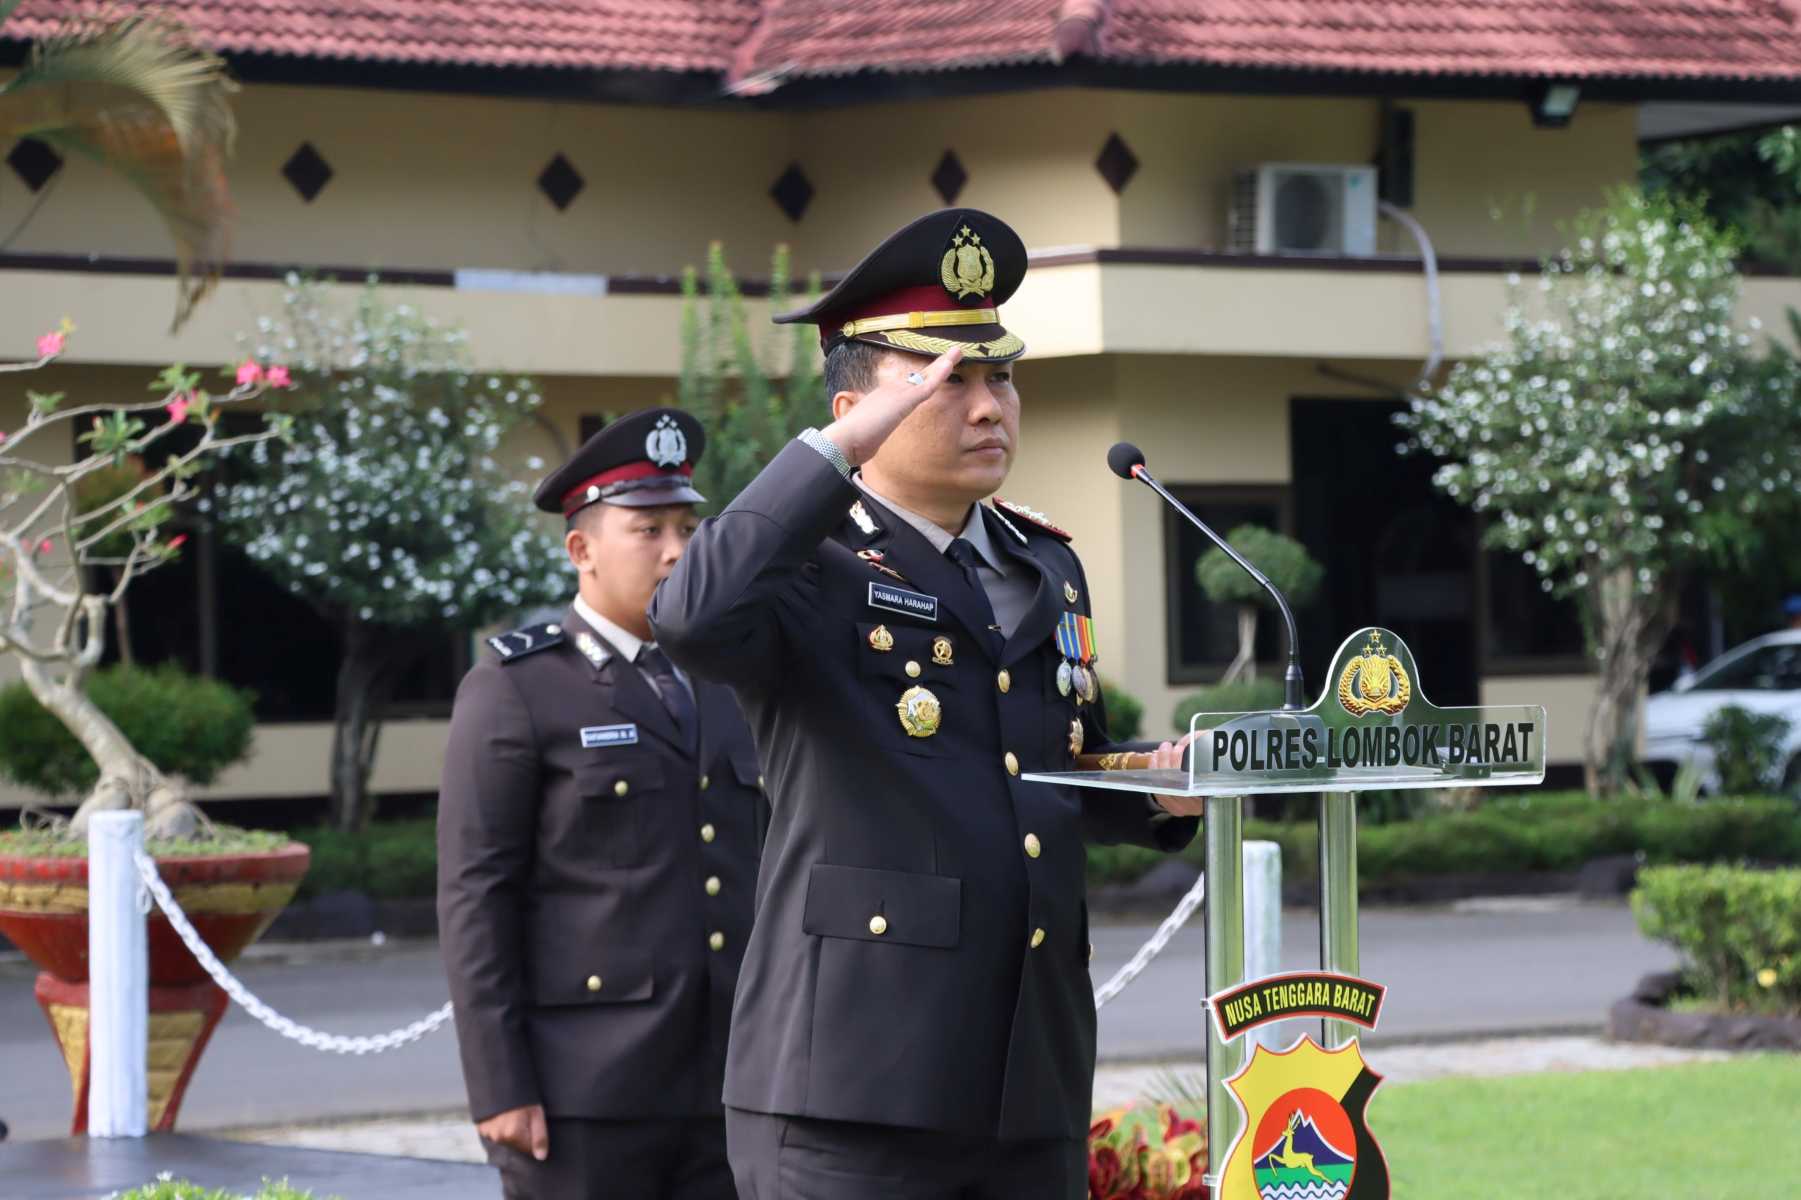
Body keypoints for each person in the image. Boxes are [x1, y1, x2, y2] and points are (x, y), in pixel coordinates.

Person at [649, 208, 1203, 1199]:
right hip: (852, 1087)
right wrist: (834, 449)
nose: (989, 407)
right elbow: (688, 615)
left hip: (1025, 1075)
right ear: (861, 402)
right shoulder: (803, 562)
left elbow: (1045, 770)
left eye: (1001, 377)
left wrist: (1163, 786)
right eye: (951, 383)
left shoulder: (1044, 563)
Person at [438, 407, 766, 1200]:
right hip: (584, 1091)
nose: (678, 550)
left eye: (687, 526)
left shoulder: (730, 680)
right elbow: (476, 896)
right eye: (647, 529)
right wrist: (500, 1086)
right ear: (581, 549)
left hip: (734, 1080)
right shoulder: (517, 687)